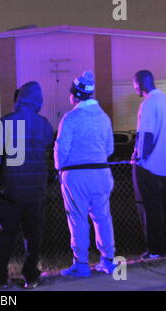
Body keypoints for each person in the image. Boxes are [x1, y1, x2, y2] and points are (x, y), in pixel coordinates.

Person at [0, 81, 54, 289]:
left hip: (10, 191)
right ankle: (31, 276)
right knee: (34, 236)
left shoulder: (5, 123)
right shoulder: (44, 125)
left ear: (19, 99)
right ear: (38, 101)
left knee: (5, 236)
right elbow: (47, 145)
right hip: (36, 191)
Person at [54, 70, 116, 277]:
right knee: (103, 217)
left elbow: (61, 148)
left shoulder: (71, 118)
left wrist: (59, 169)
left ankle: (81, 264)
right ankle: (108, 260)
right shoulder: (104, 118)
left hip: (76, 175)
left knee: (78, 218)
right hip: (101, 172)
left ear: (76, 95)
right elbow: (109, 148)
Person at [131, 70, 166, 259]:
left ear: (139, 85)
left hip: (151, 166)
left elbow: (146, 135)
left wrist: (139, 156)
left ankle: (155, 249)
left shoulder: (148, 104)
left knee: (151, 208)